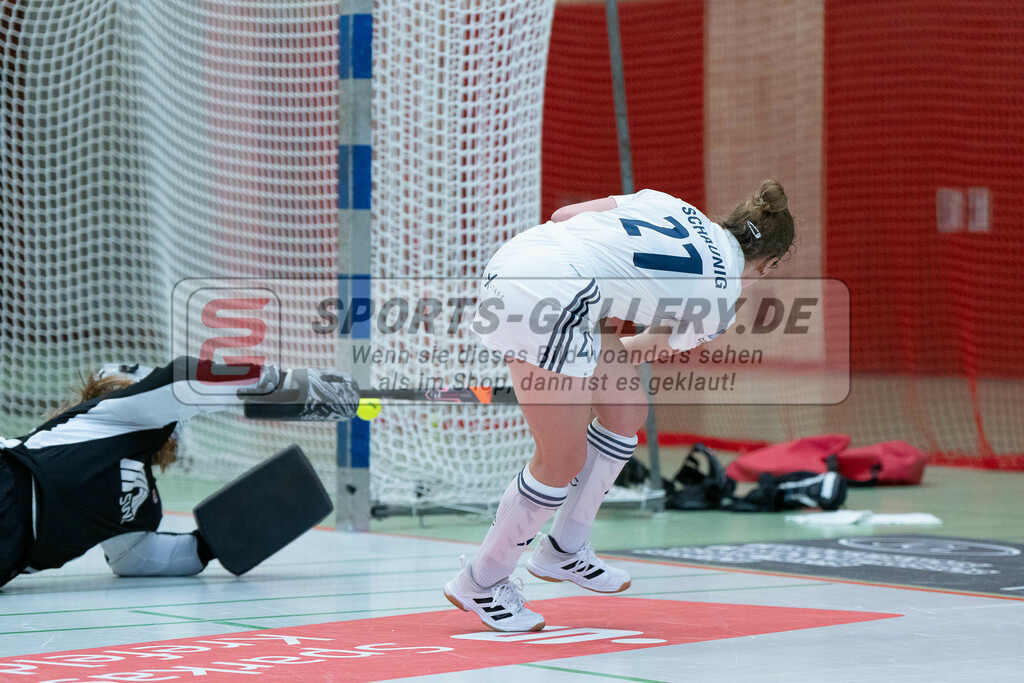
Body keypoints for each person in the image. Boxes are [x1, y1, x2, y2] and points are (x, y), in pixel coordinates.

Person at [443, 180, 796, 631]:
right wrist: (568, 363)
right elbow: (647, 347)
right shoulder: (722, 300)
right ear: (768, 265)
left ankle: (564, 550)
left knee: (626, 410)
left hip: (528, 260)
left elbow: (563, 216)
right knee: (560, 459)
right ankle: (482, 580)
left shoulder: (669, 204)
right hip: (555, 295)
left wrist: (576, 361)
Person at [0, 357, 355, 589]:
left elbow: (136, 558)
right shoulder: (111, 416)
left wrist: (214, 542)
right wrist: (283, 384)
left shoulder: (143, 507)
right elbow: (183, 383)